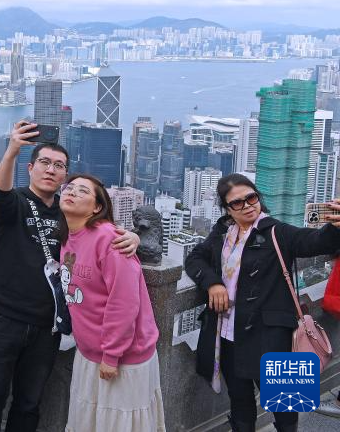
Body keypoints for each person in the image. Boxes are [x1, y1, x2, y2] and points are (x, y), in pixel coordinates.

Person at [0, 121, 139, 432]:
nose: (51, 170)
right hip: (2, 318)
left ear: (65, 176)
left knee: (29, 404)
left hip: (46, 326)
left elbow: (102, 231)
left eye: (59, 166)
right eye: (45, 163)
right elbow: (1, 189)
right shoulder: (16, 203)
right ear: (31, 167)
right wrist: (12, 150)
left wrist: (134, 237)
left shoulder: (69, 214)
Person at [185, 174, 340, 432]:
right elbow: (195, 258)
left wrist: (336, 226)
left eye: (251, 198)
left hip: (273, 337)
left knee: (285, 407)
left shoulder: (277, 231)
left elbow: (315, 242)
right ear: (226, 208)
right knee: (240, 404)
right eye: (237, 203)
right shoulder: (223, 232)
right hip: (229, 336)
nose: (247, 205)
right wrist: (213, 283)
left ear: (258, 197)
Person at [58, 174, 165, 432]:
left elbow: (124, 302)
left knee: (120, 423)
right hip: (89, 351)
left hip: (122, 356)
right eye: (69, 187)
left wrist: (111, 354)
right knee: (90, 421)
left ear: (97, 207)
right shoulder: (68, 237)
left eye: (83, 191)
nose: (72, 192)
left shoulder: (110, 240)